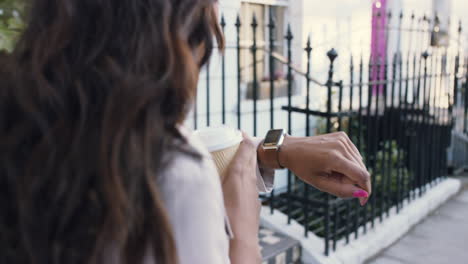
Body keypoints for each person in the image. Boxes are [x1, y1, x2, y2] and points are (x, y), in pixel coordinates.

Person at [0, 0, 371, 263]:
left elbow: (182, 140)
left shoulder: (33, 121)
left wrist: (275, 149)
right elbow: (174, 160)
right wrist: (243, 240)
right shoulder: (176, 179)